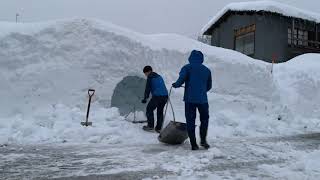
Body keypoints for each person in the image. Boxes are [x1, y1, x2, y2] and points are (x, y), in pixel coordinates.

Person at [172, 50, 212, 150]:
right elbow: (209, 86)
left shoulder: (187, 67)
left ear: (190, 58)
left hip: (190, 100)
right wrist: (201, 91)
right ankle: (203, 141)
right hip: (203, 100)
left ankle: (194, 144)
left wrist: (176, 84)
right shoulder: (207, 70)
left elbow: (182, 78)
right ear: (201, 59)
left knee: (190, 120)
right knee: (204, 120)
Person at [141, 66, 168, 133]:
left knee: (149, 109)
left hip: (157, 97)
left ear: (148, 71)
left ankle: (150, 126)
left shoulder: (150, 77)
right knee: (160, 111)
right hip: (165, 96)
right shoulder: (159, 76)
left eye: (145, 73)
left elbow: (148, 89)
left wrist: (145, 98)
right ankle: (158, 128)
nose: (145, 75)